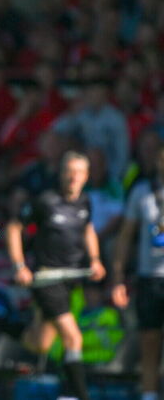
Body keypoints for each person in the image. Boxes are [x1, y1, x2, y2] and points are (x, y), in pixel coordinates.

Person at [7, 151, 106, 400]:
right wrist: (19, 266)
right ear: (61, 174)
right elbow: (14, 227)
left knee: (40, 343)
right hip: (47, 280)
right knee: (73, 338)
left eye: (79, 172)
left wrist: (95, 260)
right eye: (69, 171)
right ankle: (77, 395)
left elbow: (88, 229)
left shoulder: (85, 201)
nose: (74, 177)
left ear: (86, 176)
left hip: (70, 281)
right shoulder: (45, 200)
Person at [111, 146, 164, 400]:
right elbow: (125, 237)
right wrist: (118, 278)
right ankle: (149, 395)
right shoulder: (142, 191)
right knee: (149, 342)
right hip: (150, 277)